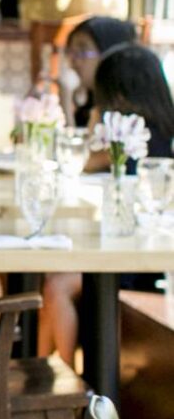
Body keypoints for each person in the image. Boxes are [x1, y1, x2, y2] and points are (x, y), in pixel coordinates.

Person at [41, 42, 174, 362]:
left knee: (56, 287)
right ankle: (48, 374)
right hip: (131, 248)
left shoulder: (137, 140)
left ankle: (60, 379)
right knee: (53, 281)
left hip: (138, 259)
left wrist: (95, 113)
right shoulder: (154, 133)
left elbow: (83, 158)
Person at [60, 14, 136, 129]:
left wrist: (66, 102)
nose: (74, 61)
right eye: (71, 52)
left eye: (82, 51)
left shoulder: (126, 112)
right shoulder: (92, 101)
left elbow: (88, 145)